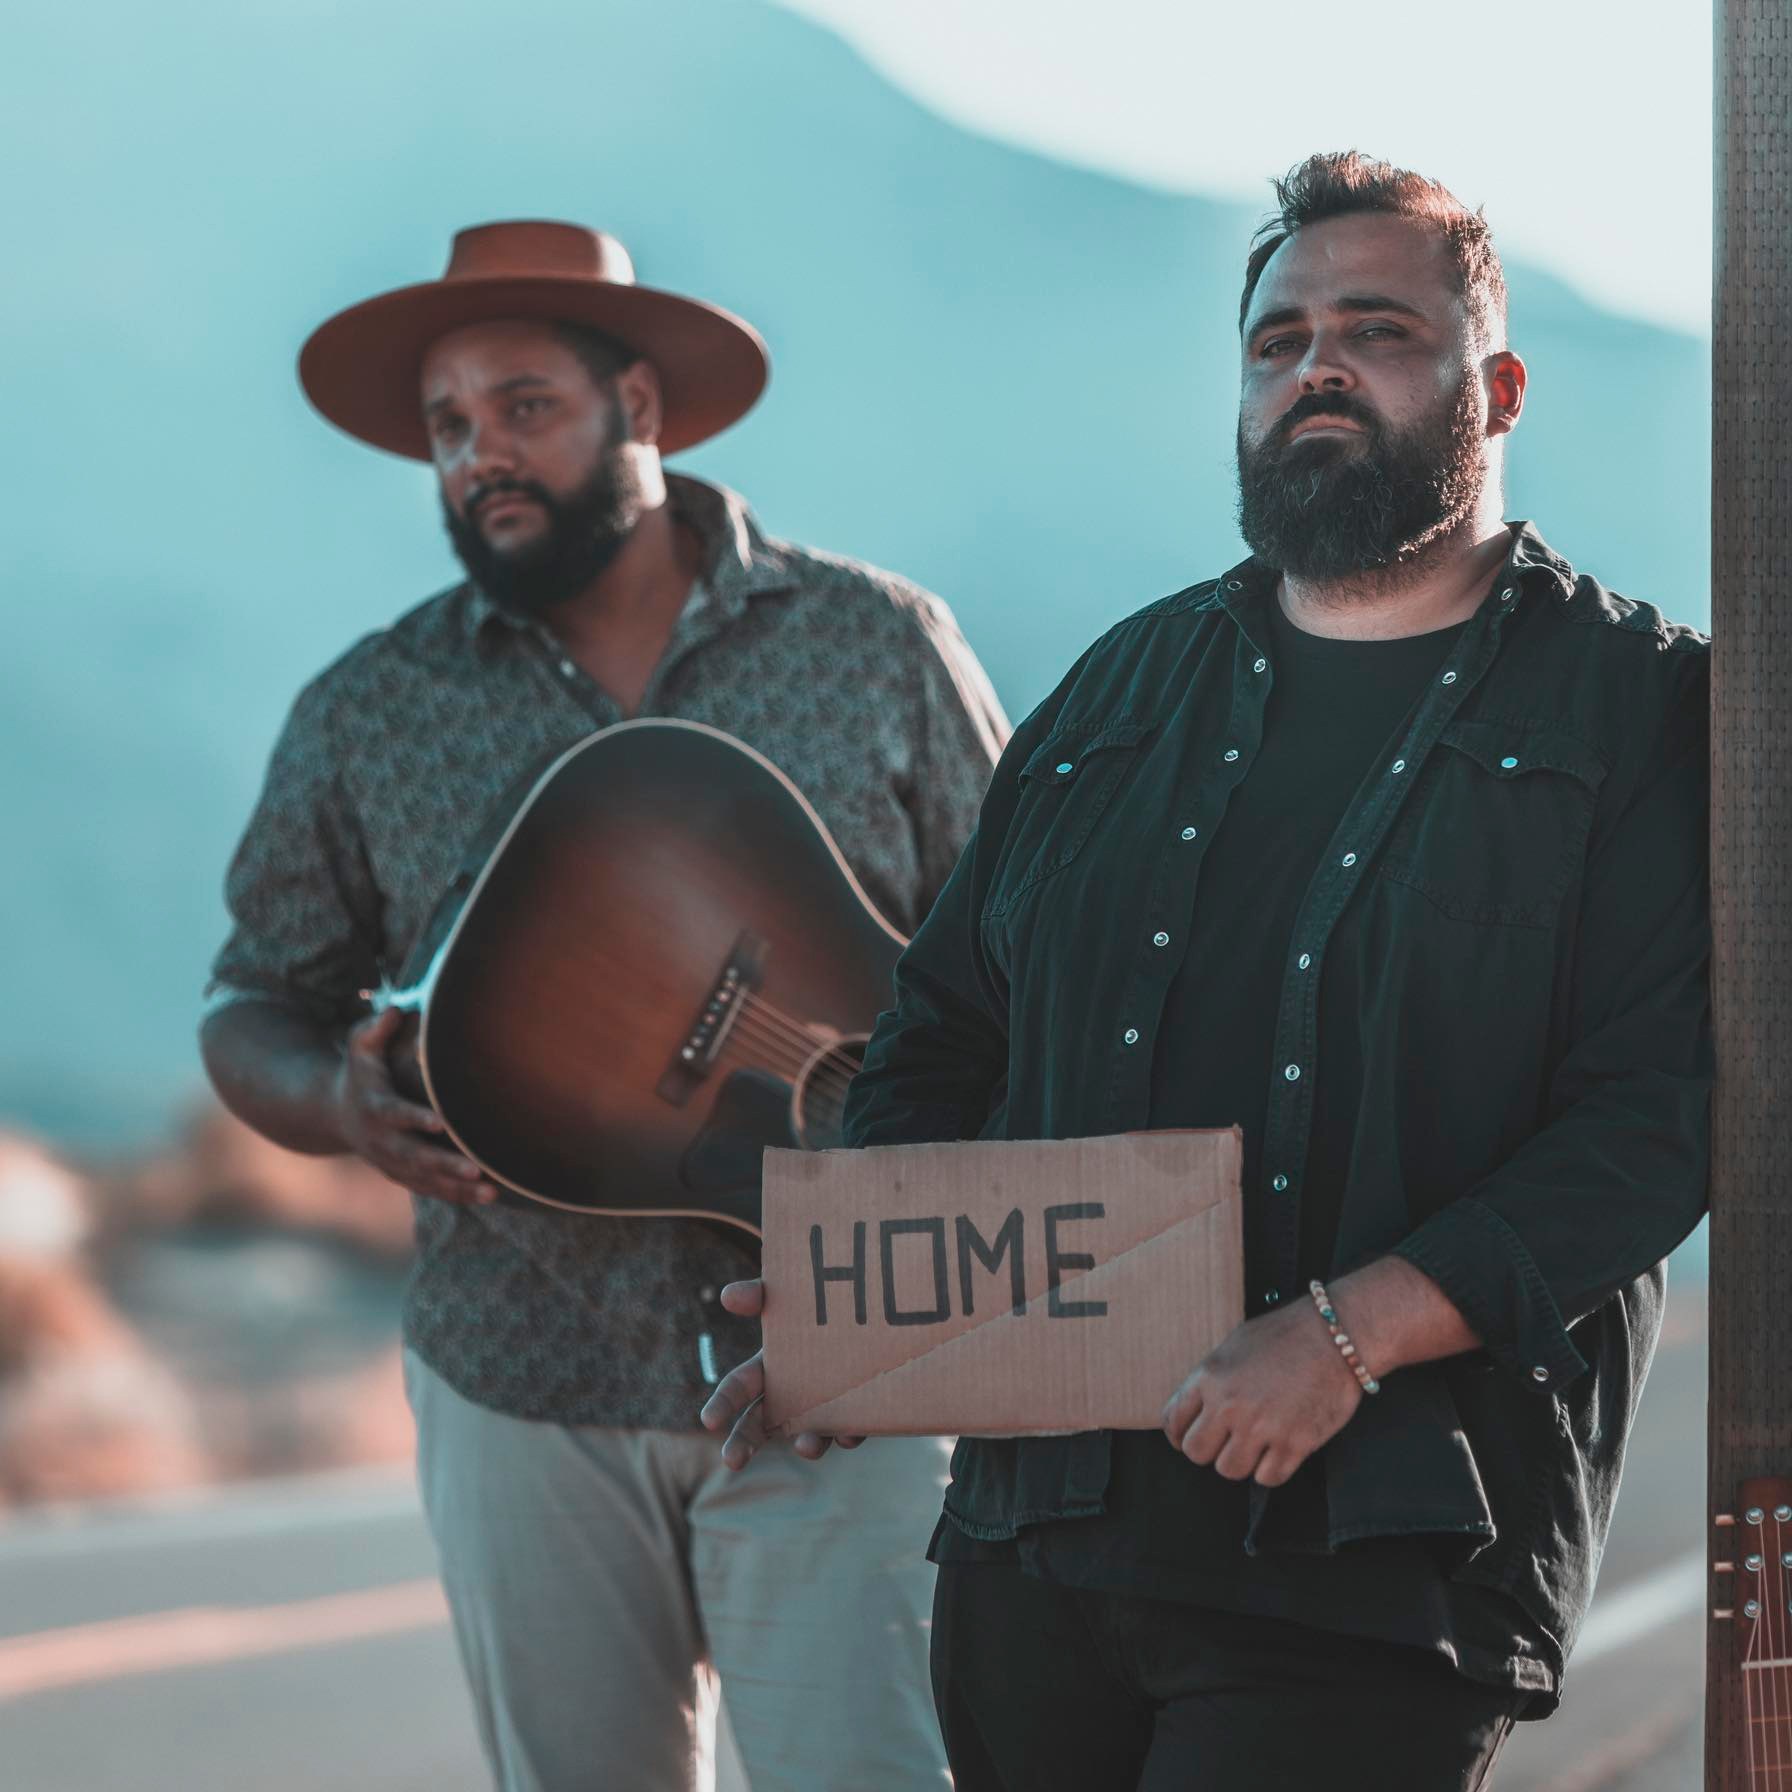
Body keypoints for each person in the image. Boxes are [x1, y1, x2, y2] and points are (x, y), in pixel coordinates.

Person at [702, 152, 1710, 1791]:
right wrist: (869, 1314)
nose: (1314, 365)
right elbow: (943, 1033)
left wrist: (1348, 1334)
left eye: (1377, 331)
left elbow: (1659, 1118)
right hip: (1046, 1545)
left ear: (1497, 384)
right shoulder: (1121, 692)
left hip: (1382, 1559)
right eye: (1277, 339)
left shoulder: (1642, 711)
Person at [200, 219, 1006, 1792]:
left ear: (638, 404)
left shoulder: (874, 642)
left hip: (854, 1355)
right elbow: (251, 1002)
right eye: (448, 428)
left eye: (523, 408)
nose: (478, 457)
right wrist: (336, 1107)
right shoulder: (372, 707)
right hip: (521, 1366)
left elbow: (1031, 953)